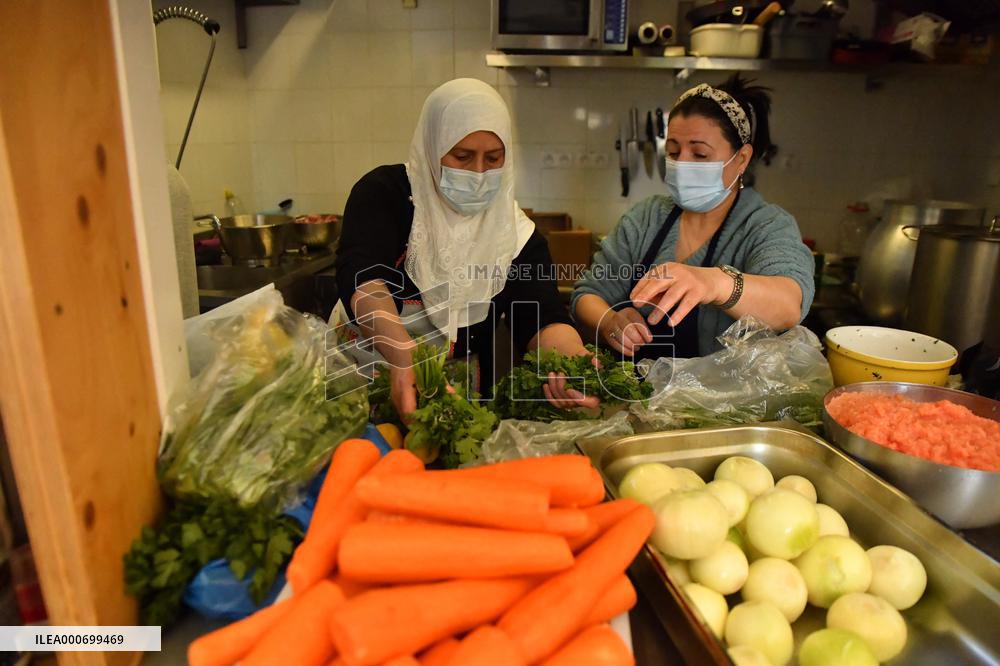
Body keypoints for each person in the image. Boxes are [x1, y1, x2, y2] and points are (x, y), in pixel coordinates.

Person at [334, 78, 597, 420]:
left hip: (457, 402)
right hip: (362, 381)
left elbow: (542, 318)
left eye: (493, 158)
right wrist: (402, 353)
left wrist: (573, 359)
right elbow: (365, 278)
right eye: (462, 156)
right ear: (433, 147)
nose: (478, 172)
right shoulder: (385, 194)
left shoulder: (514, 235)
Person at [572, 75, 815, 361]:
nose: (682, 163)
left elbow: (788, 306)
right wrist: (610, 321)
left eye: (700, 154)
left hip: (721, 402)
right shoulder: (646, 217)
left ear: (741, 159)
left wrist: (715, 284)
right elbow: (587, 294)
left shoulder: (766, 225)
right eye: (674, 151)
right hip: (637, 398)